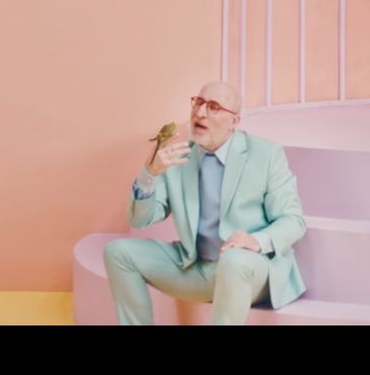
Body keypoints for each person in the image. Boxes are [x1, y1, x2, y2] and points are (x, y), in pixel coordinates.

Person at [102, 80, 307, 324]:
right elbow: (140, 219)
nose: (200, 113)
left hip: (250, 271)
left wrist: (255, 241)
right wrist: (150, 174)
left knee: (233, 261)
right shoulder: (180, 156)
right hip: (196, 268)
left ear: (234, 121)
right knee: (118, 252)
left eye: (213, 106)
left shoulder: (266, 154)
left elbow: (293, 220)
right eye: (198, 102)